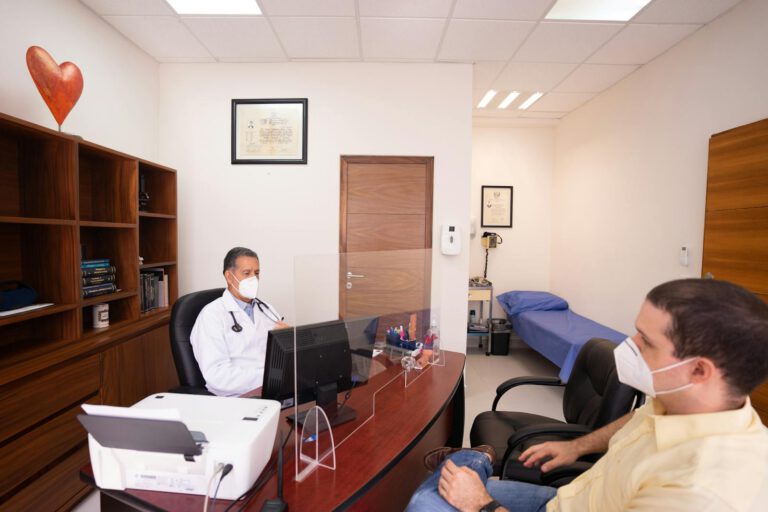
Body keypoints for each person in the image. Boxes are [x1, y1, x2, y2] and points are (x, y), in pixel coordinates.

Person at [408, 279, 768, 512]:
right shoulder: (678, 402)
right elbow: (638, 418)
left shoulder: (700, 492)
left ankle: (476, 461)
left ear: (699, 371)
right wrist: (577, 447)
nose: (628, 346)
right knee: (436, 493)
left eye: (646, 341)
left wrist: (482, 505)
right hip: (572, 499)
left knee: (427, 501)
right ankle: (475, 461)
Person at [191, 247, 288, 396]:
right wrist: (269, 376)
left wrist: (288, 340)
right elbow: (218, 377)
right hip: (238, 397)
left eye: (257, 273)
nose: (253, 279)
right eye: (247, 273)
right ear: (229, 277)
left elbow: (279, 356)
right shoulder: (211, 315)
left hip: (273, 388)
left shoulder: (267, 309)